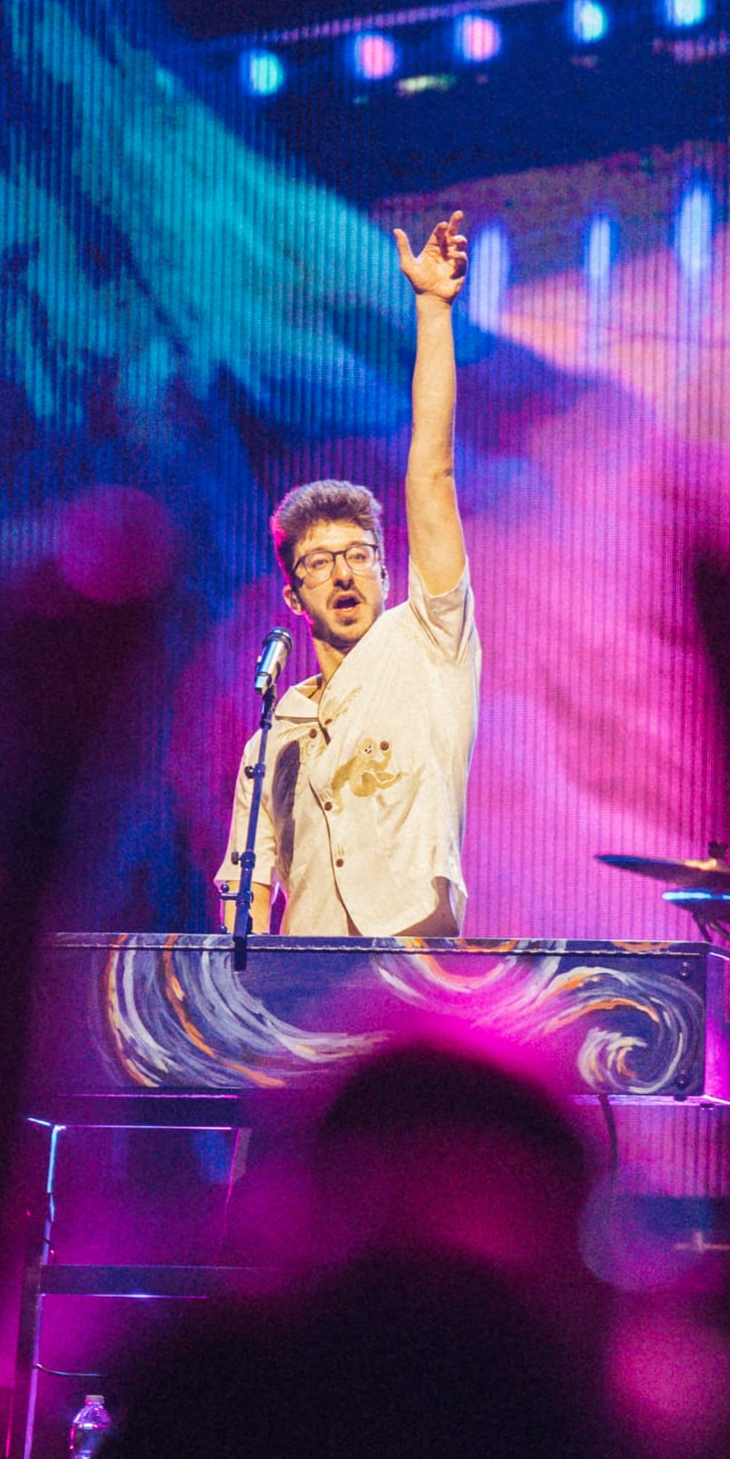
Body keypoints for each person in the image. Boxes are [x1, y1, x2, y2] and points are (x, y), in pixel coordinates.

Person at [216, 213, 478, 939]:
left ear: (387, 572)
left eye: (359, 555)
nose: (344, 574)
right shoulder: (275, 733)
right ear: (293, 594)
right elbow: (246, 881)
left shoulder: (428, 642)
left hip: (414, 973)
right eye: (320, 563)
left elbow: (431, 469)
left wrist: (431, 309)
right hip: (301, 1001)